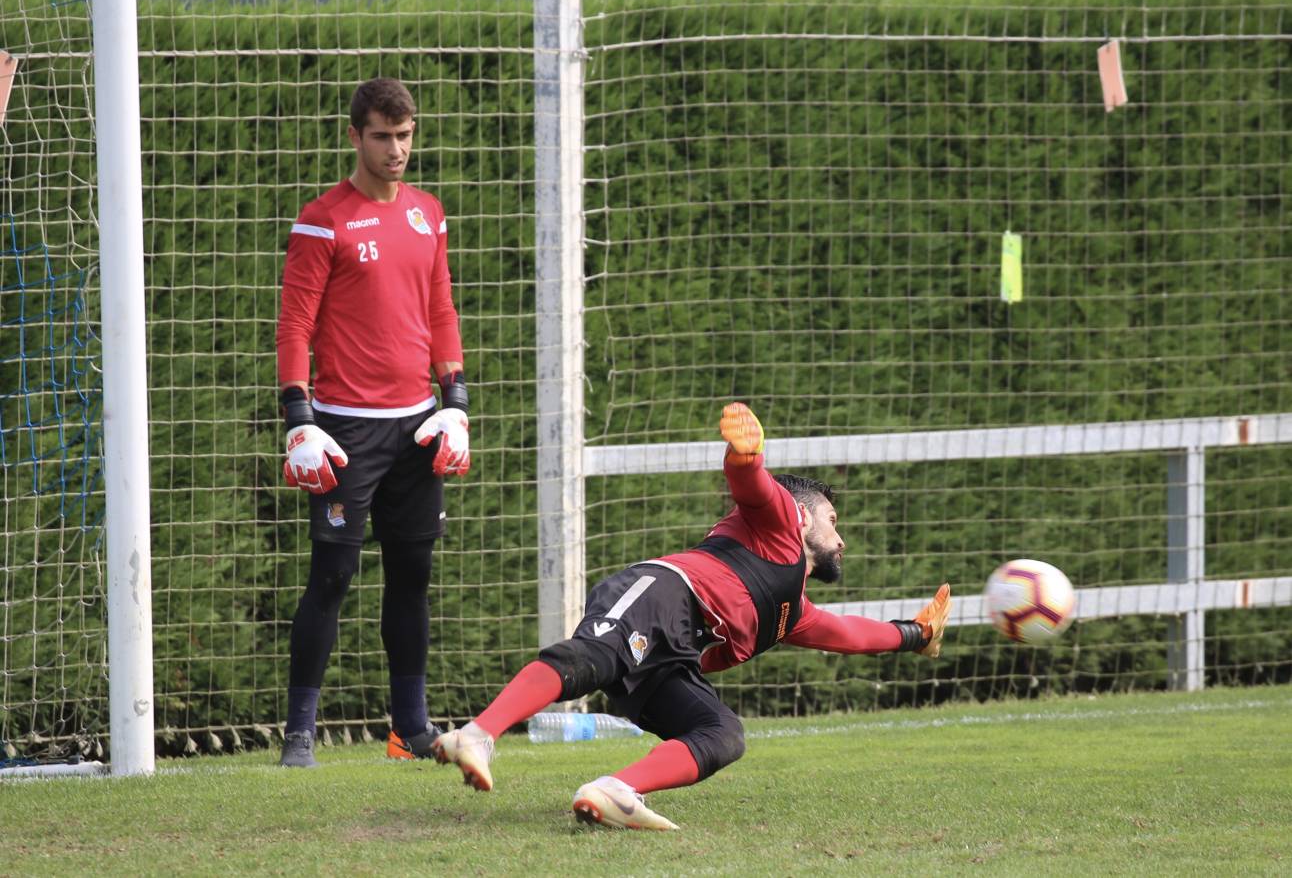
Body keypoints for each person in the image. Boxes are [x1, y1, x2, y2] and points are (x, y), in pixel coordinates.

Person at [432, 402, 951, 829]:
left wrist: (916, 634)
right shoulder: (781, 522)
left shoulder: (792, 610)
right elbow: (753, 484)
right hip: (662, 596)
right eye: (833, 521)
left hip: (673, 655)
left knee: (721, 732)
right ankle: (477, 734)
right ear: (803, 513)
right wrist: (746, 455)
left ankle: (616, 788)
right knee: (592, 660)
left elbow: (852, 634)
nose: (840, 538)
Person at [275, 77, 470, 767]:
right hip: (343, 429)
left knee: (412, 575)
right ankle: (300, 733)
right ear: (355, 135)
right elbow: (295, 323)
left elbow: (440, 311)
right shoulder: (322, 218)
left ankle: (409, 730)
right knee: (330, 578)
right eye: (383, 136)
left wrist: (457, 403)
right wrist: (298, 415)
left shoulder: (428, 214)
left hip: (416, 427)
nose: (397, 150)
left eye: (406, 136)